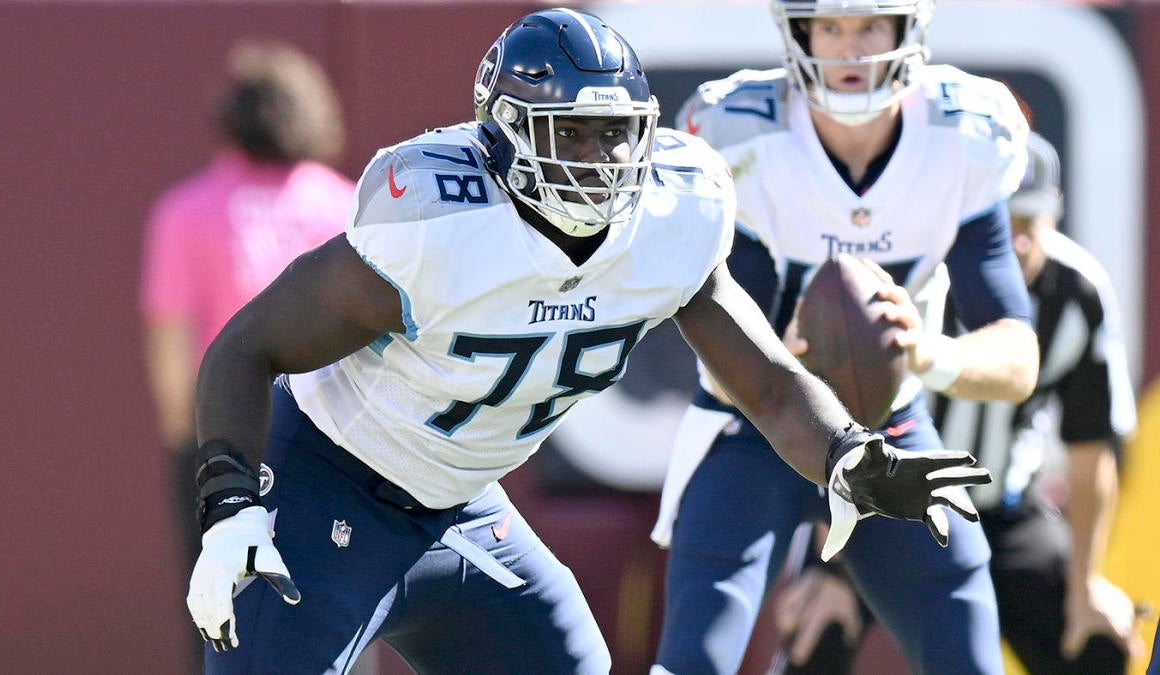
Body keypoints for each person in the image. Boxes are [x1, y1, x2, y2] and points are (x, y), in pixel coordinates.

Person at [181, 8, 992, 673]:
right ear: (503, 134)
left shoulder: (671, 220)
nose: (600, 159)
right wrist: (229, 510)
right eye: (570, 133)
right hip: (326, 487)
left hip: (461, 504)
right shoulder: (437, 224)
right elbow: (246, 346)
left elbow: (772, 381)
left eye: (615, 133)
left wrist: (849, 453)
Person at [651, 1, 1040, 673]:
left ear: (906, 29)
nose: (849, 48)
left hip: (888, 427)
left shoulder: (963, 135)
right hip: (754, 430)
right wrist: (775, 347)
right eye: (829, 26)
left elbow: (1018, 356)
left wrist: (924, 350)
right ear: (798, 31)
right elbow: (717, 344)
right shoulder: (739, 133)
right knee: (693, 659)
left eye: (869, 25)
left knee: (965, 636)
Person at [769, 131, 1143, 674]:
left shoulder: (1077, 295)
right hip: (881, 505)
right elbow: (837, 424)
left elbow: (1091, 455)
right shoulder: (908, 281)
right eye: (1002, 225)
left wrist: (1085, 584)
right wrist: (834, 570)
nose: (1014, 244)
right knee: (818, 632)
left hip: (1003, 509)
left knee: (1095, 641)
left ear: (1055, 219)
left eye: (1029, 226)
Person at [140, 42, 353, 573]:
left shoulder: (185, 211)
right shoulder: (348, 205)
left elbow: (171, 341)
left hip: (222, 439)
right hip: (334, 443)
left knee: (218, 611)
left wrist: (187, 445)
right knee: (338, 614)